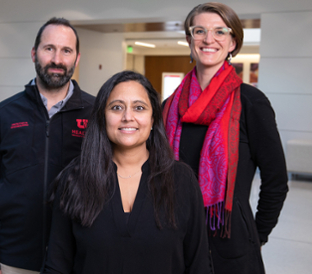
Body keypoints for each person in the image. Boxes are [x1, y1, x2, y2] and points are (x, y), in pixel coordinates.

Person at [43, 71, 211, 274]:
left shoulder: (182, 181)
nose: (128, 117)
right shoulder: (75, 179)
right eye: (116, 107)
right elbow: (56, 266)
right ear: (102, 117)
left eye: (139, 108)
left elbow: (199, 266)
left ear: (153, 119)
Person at [163, 2, 289, 274]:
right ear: (189, 39)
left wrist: (256, 235)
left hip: (230, 246)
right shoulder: (168, 107)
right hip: (174, 237)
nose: (209, 39)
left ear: (232, 42)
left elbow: (276, 180)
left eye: (220, 32)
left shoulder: (251, 103)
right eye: (200, 31)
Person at [0, 17, 95, 274]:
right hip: (13, 260)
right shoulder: (1, 117)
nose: (57, 59)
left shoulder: (97, 115)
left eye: (66, 51)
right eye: (49, 48)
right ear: (34, 53)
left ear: (77, 58)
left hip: (78, 260)